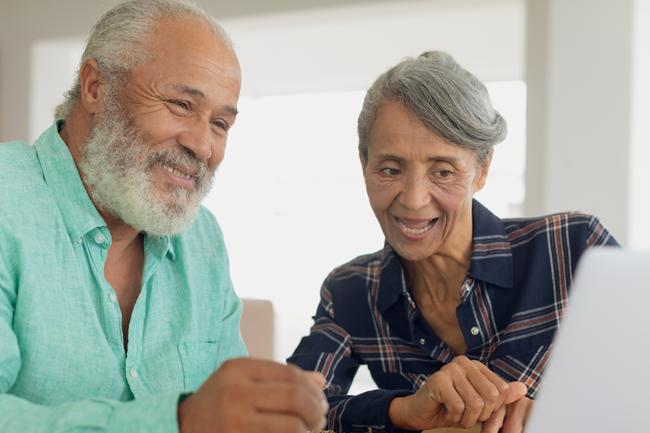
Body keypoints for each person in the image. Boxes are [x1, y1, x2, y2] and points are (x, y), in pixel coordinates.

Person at [0, 1, 328, 432]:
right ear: (96, 87)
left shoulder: (203, 238)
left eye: (221, 124)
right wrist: (180, 419)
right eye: (180, 103)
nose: (203, 146)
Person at [288, 51, 620, 433]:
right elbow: (298, 407)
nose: (413, 199)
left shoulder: (575, 249)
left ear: (483, 169)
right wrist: (403, 409)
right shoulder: (350, 290)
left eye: (443, 171)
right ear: (364, 163)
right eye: (390, 169)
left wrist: (558, 419)